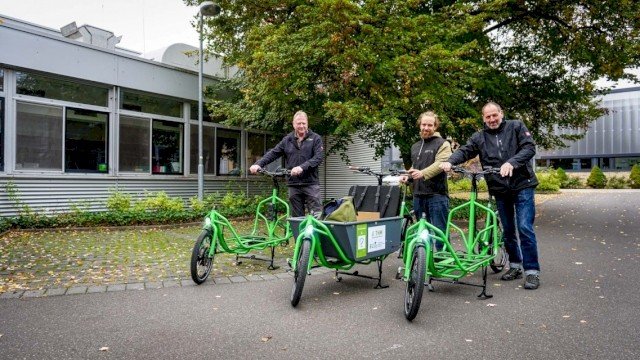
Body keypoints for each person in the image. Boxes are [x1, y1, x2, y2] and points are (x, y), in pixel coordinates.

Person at [440, 102, 541, 290]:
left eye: (495, 115)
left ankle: (532, 271)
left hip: (522, 185)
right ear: (483, 118)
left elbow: (529, 148)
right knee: (508, 230)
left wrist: (512, 163)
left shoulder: (516, 126)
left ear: (501, 113)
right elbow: (465, 150)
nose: (492, 119)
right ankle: (515, 266)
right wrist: (450, 161)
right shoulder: (480, 137)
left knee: (524, 227)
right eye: (488, 117)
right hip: (499, 188)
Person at [249, 110, 324, 217]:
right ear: (294, 124)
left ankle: (316, 234)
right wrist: (259, 164)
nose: (301, 126)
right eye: (299, 123)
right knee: (296, 219)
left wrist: (301, 167)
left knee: (316, 216)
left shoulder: (316, 138)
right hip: (293, 184)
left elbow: (318, 158)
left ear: (307, 124)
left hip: (310, 184)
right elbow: (274, 153)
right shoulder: (287, 140)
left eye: (304, 123)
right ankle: (298, 234)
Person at [400, 111, 452, 251]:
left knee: (440, 231)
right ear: (419, 125)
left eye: (430, 125)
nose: (426, 128)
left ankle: (443, 260)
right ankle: (425, 261)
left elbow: (440, 164)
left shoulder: (443, 144)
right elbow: (415, 167)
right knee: (423, 232)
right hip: (418, 195)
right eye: (424, 124)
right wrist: (408, 176)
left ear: (435, 127)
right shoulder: (415, 146)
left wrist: (422, 173)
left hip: (437, 195)